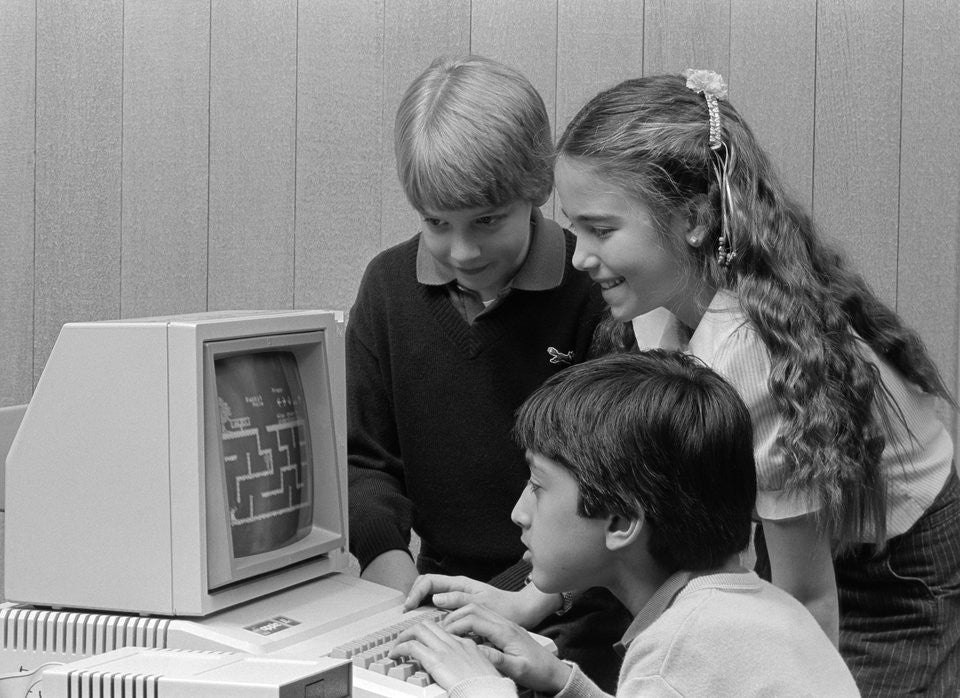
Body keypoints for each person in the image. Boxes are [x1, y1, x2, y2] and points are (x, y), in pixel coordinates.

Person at [544, 70, 959, 696]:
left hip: (891, 578)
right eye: (573, 228)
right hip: (792, 550)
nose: (578, 256)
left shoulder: (749, 355)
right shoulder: (656, 303)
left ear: (692, 219)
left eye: (601, 230)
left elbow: (807, 606)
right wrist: (528, 603)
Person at [345, 54, 626, 690]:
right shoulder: (387, 287)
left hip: (578, 605)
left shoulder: (596, 292)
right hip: (437, 593)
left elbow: (612, 491)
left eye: (488, 221)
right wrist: (404, 595)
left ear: (536, 190)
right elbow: (366, 464)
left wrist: (520, 601)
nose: (462, 251)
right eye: (437, 224)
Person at [390, 351, 860, 697]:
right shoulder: (761, 610)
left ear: (620, 522)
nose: (519, 513)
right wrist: (564, 683)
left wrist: (480, 688)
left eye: (536, 485)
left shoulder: (678, 650)